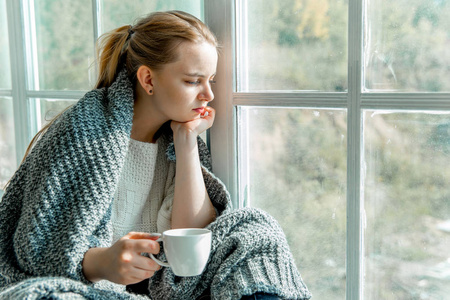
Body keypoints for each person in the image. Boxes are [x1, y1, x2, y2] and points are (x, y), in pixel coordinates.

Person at [0, 11, 311, 300]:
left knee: (253, 229)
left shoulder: (174, 141)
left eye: (210, 81)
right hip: (80, 288)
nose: (209, 95)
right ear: (148, 80)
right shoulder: (85, 132)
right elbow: (37, 250)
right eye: (193, 81)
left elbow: (197, 241)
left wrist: (186, 139)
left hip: (158, 291)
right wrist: (103, 263)